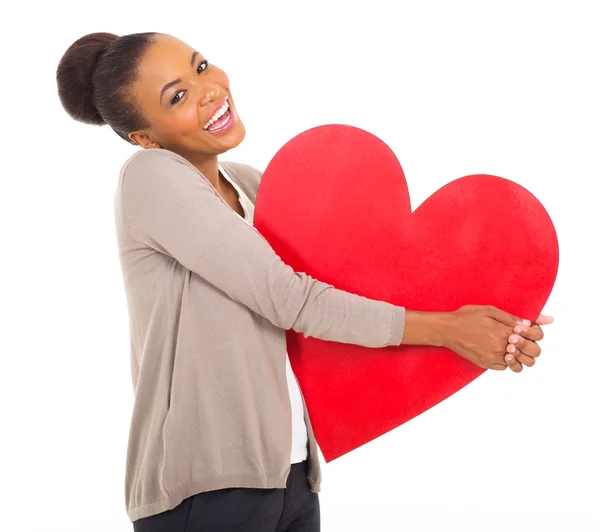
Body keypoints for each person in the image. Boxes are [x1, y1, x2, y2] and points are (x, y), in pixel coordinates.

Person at [55, 31, 554, 532]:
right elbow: (290, 299)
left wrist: (495, 322)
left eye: (201, 66)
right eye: (177, 95)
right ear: (144, 136)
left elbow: (352, 302)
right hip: (204, 488)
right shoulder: (151, 177)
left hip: (292, 476)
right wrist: (451, 329)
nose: (209, 89)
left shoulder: (251, 185)